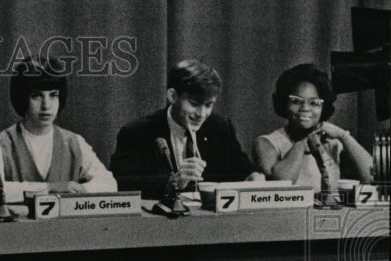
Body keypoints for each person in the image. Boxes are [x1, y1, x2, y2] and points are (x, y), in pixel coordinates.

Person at [110, 59, 262, 199]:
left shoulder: (220, 127)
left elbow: (243, 172)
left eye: (208, 105)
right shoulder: (137, 132)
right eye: (194, 103)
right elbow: (119, 183)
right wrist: (172, 182)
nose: (202, 114)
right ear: (173, 96)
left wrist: (252, 178)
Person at [0, 56, 116, 204]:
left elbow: (109, 184)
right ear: (23, 98)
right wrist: (50, 188)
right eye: (37, 96)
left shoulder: (75, 142)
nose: (46, 105)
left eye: (53, 95)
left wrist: (82, 190)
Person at [254, 63, 374, 191]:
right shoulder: (266, 143)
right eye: (296, 101)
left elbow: (372, 178)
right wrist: (303, 141)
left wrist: (343, 136)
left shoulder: (334, 143)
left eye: (315, 103)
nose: (305, 108)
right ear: (283, 102)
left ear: (324, 107)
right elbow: (282, 185)